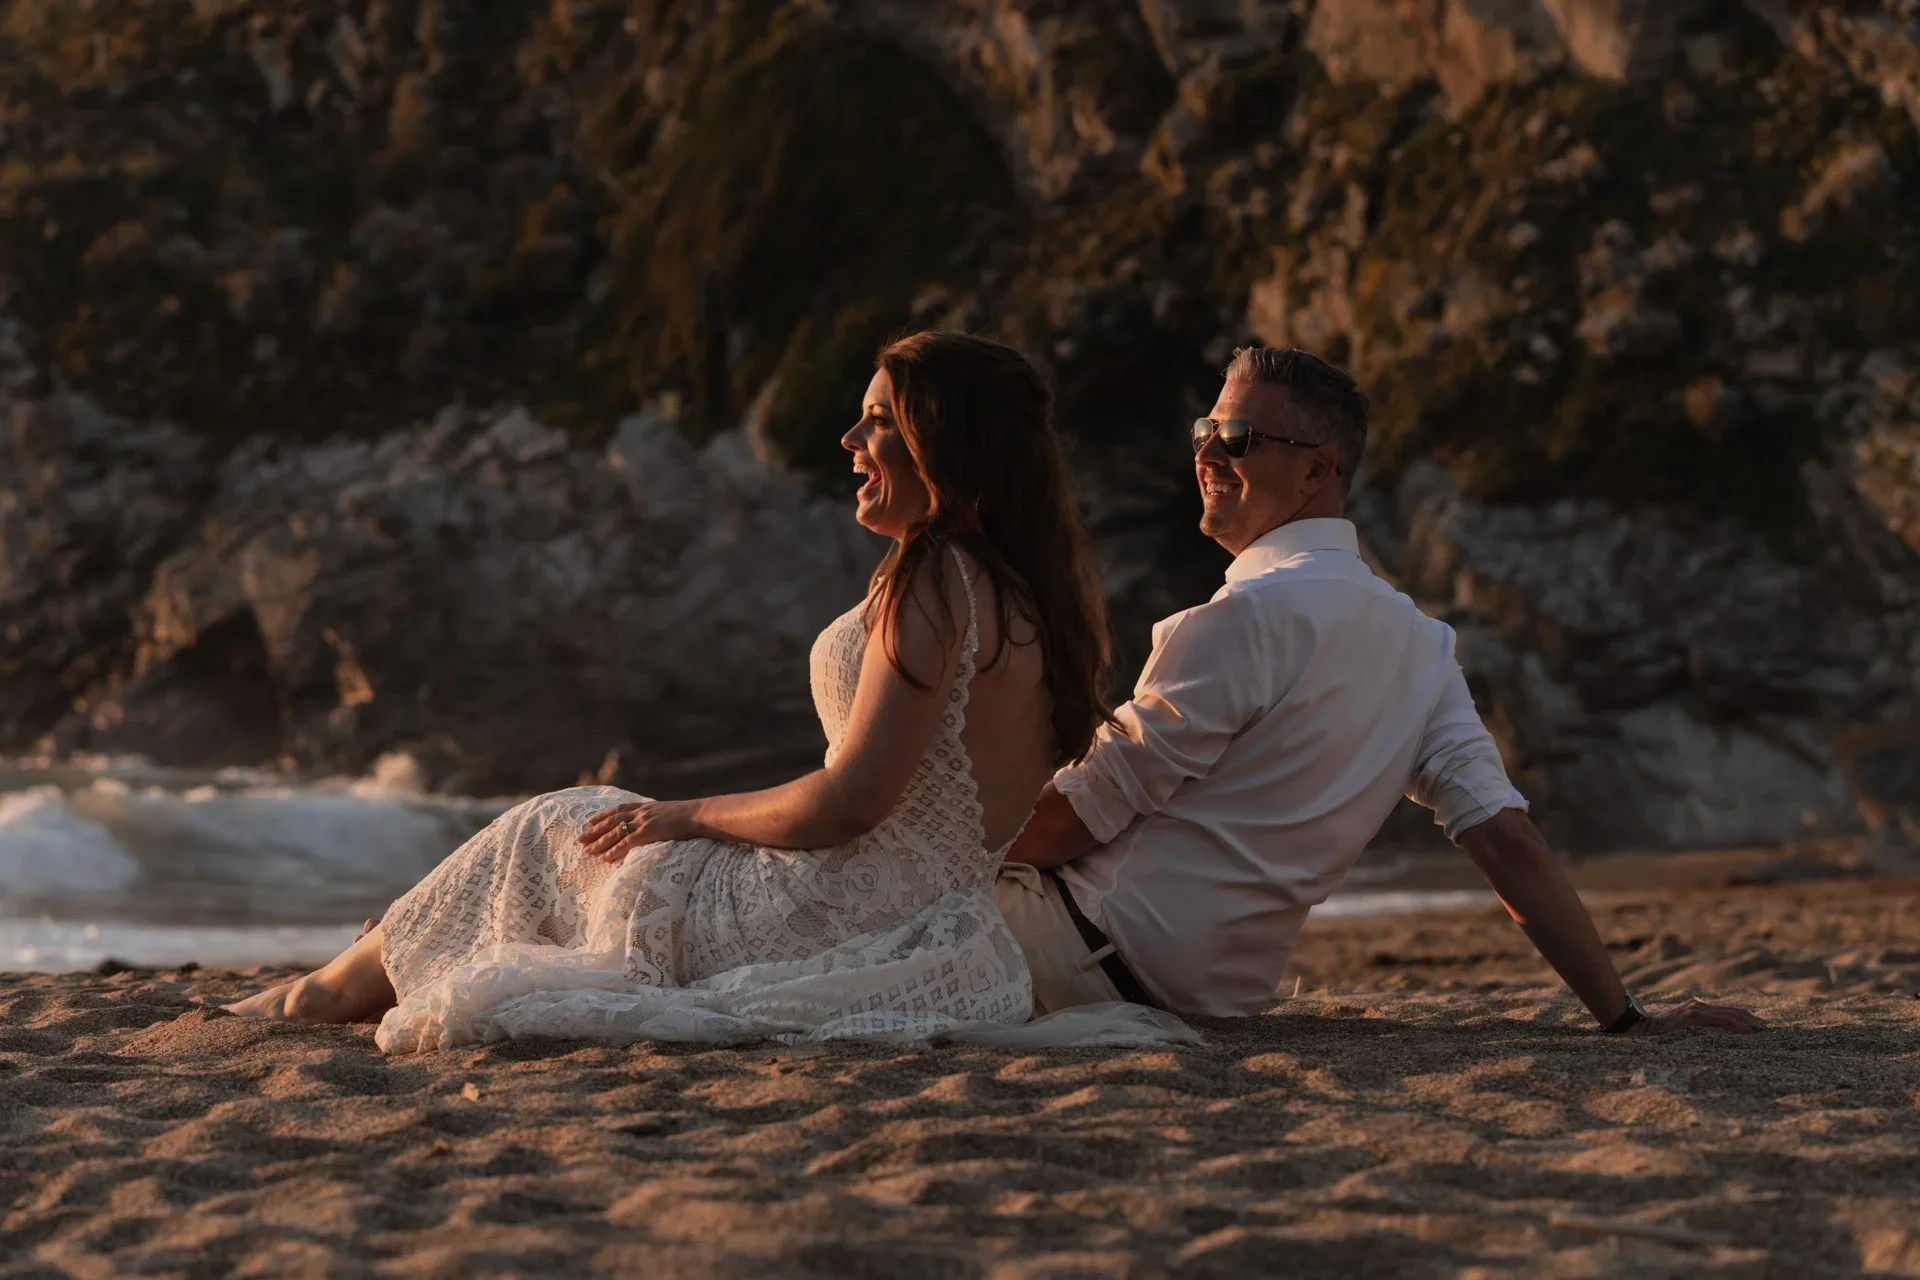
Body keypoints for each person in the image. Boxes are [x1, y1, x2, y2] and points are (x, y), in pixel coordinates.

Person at [227, 331, 1178, 1050]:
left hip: (827, 915)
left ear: (950, 443)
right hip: (935, 928)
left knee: (553, 827)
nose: (850, 438)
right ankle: (362, 962)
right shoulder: (1039, 603)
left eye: (880, 419)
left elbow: (849, 805)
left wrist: (684, 815)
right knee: (586, 830)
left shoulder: (934, 576)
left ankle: (317, 994)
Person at [1001, 345, 1765, 1038]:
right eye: (1206, 429)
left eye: (1237, 438)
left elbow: (1075, 820)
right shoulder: (1423, 646)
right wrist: (1626, 1016)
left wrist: (946, 858)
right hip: (1209, 1001)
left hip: (1085, 956)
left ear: (1316, 470)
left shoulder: (1237, 622)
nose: (1207, 451)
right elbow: (1505, 839)